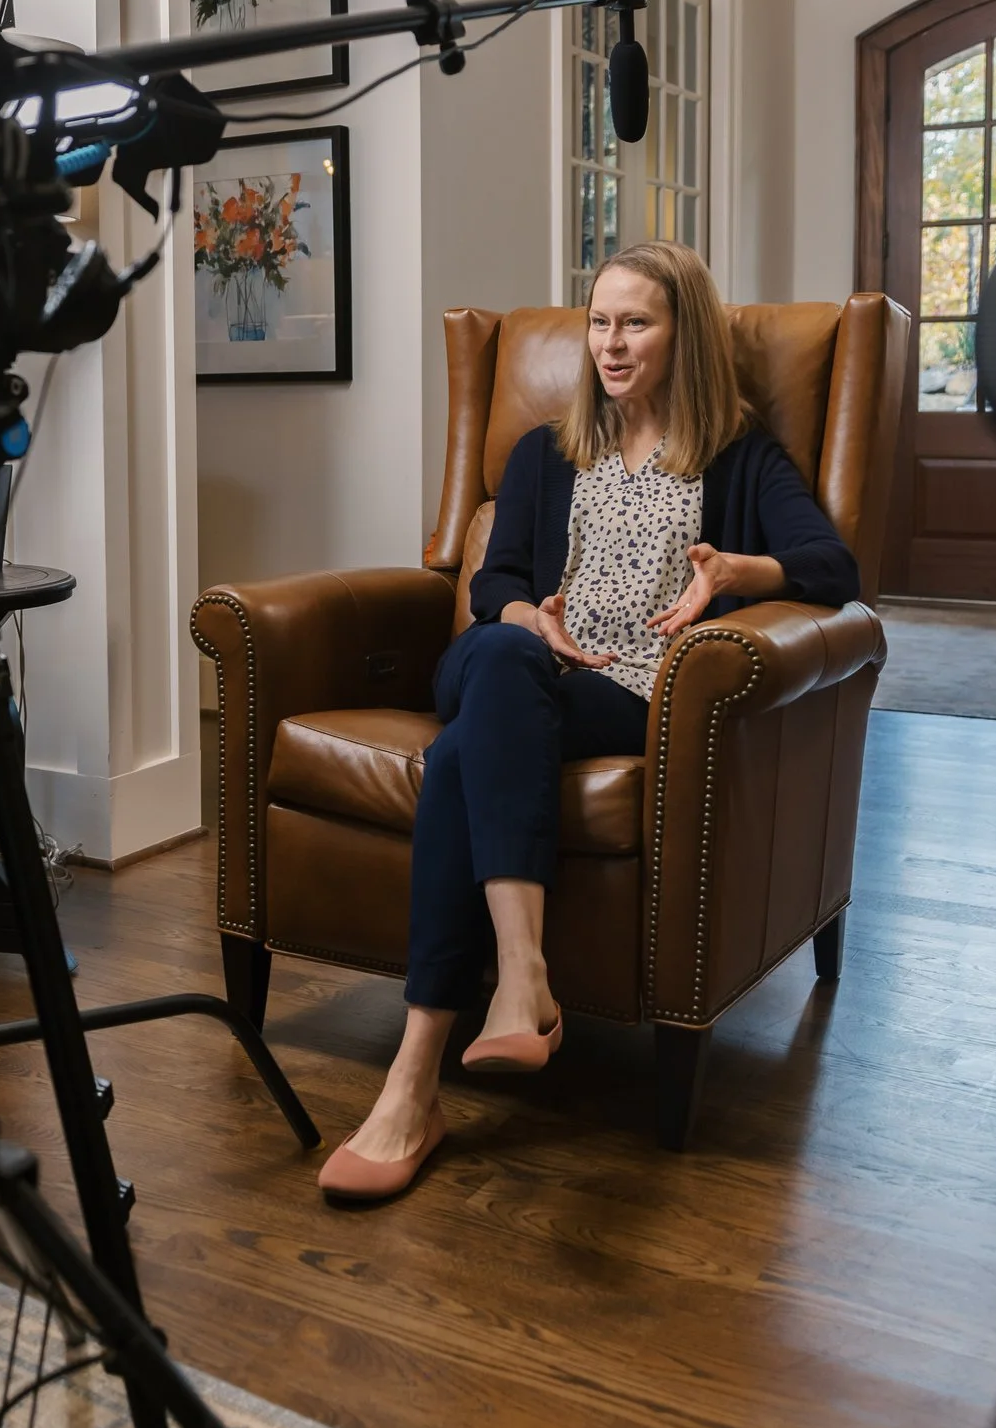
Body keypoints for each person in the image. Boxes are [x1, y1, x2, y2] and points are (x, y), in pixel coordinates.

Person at [316, 240, 860, 1202]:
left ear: (684, 334)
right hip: (519, 667)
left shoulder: (738, 458)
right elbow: (493, 581)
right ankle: (521, 974)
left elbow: (833, 567)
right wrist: (530, 619)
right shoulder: (545, 451)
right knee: (500, 652)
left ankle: (412, 1082)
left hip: (630, 693)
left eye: (635, 322)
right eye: (599, 321)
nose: (610, 343)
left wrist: (736, 570)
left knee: (459, 759)